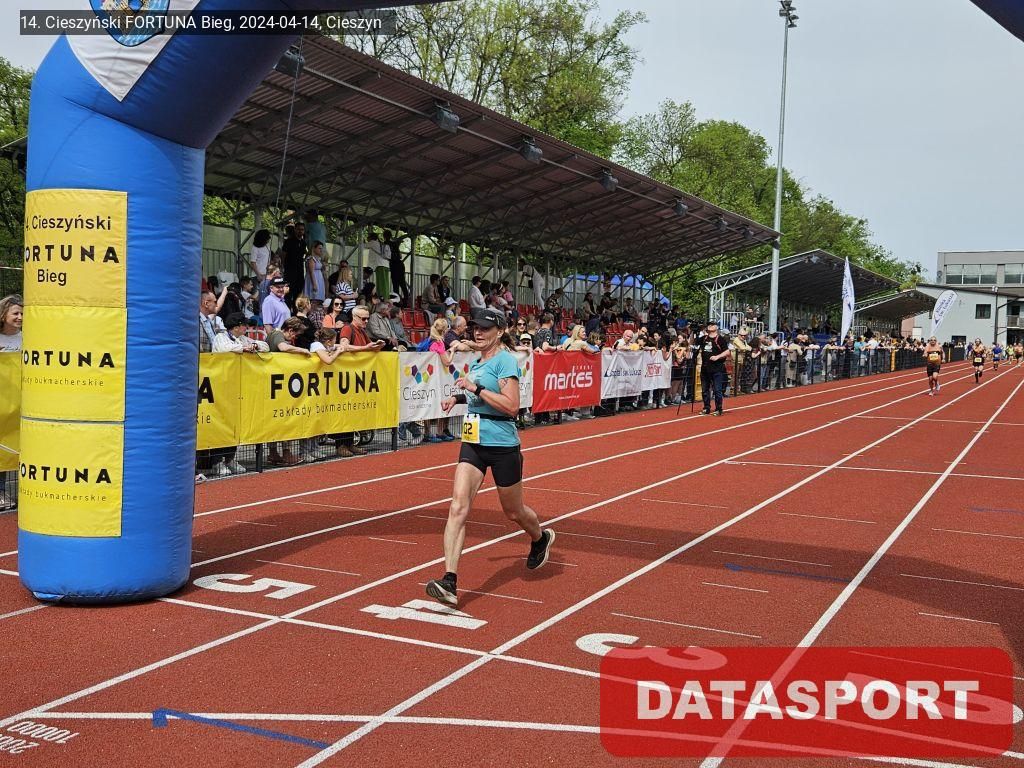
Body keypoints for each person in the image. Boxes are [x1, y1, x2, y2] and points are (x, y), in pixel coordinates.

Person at [425, 308, 555, 608]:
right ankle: (449, 580)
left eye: (484, 328)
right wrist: (458, 397)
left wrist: (476, 387)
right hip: (473, 442)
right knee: (458, 507)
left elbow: (511, 406)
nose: (478, 332)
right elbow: (477, 397)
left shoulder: (505, 360)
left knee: (513, 511)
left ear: (500, 331)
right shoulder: (477, 361)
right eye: (475, 328)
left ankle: (539, 537)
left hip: (502, 444)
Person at [699, 322, 730, 416]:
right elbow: (694, 344)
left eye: (712, 325)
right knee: (705, 390)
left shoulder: (720, 339)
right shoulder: (704, 338)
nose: (709, 326)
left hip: (717, 368)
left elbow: (727, 352)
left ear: (716, 327)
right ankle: (706, 407)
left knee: (717, 390)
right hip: (705, 368)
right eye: (708, 325)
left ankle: (718, 408)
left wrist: (717, 357)